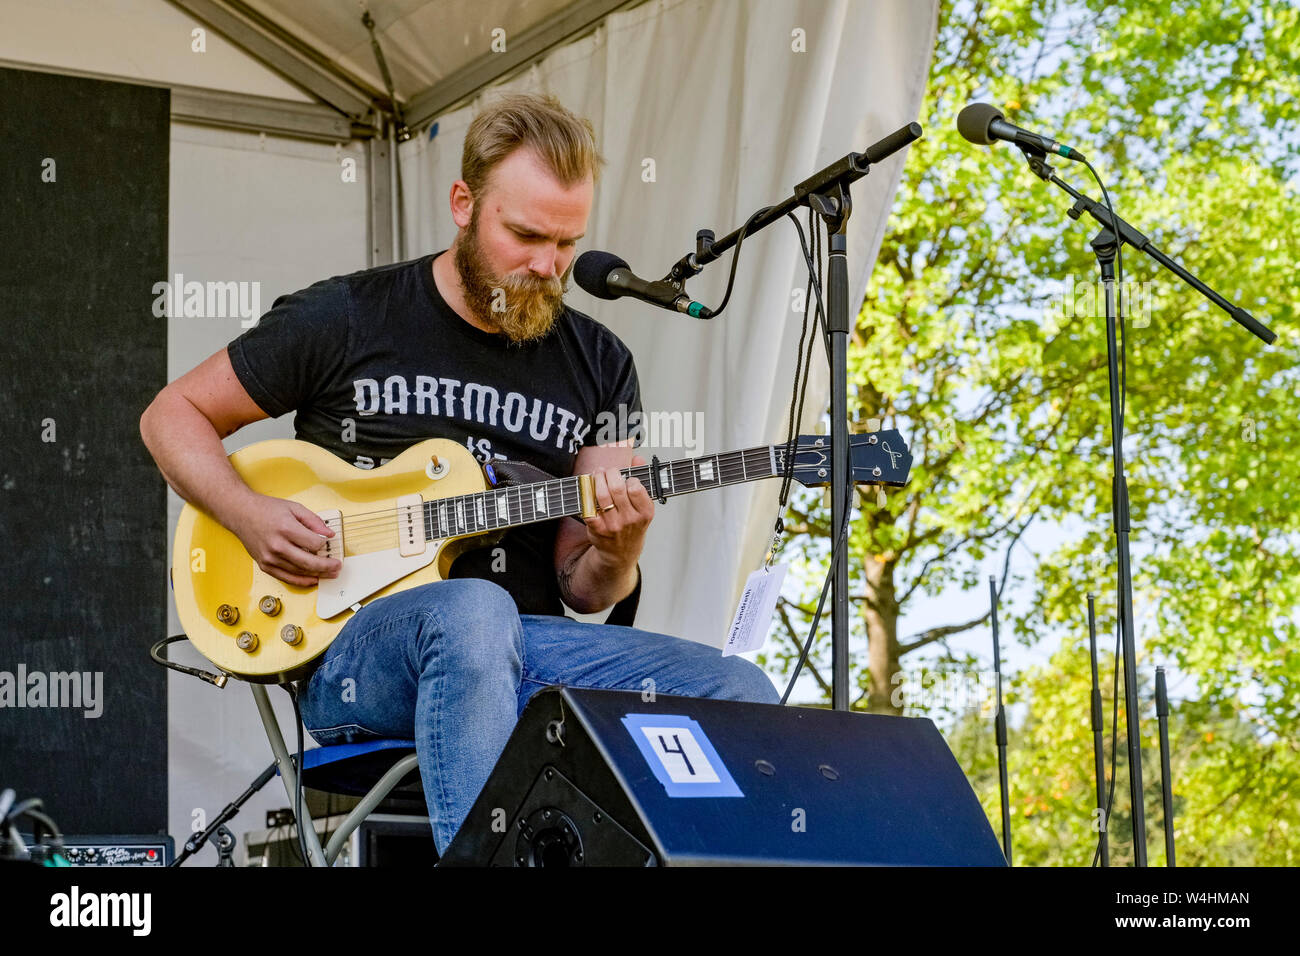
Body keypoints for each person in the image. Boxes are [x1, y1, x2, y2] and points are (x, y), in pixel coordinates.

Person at [139, 91, 779, 856]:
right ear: (463, 204)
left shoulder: (601, 363)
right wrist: (249, 515)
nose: (548, 266)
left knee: (741, 692)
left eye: (568, 243)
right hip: (354, 653)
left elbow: (585, 589)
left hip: (530, 649)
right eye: (526, 235)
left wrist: (620, 547)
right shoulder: (348, 316)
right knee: (472, 611)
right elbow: (171, 416)